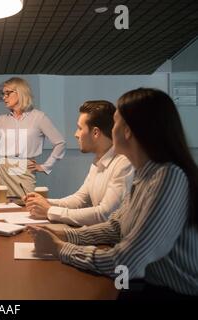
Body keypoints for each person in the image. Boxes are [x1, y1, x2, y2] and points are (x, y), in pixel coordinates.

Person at [28, 88, 198, 298]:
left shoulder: (168, 176)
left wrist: (60, 248)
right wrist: (63, 234)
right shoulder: (144, 174)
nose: (111, 128)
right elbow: (116, 227)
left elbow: (126, 261)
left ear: (127, 131)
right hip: (147, 282)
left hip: (170, 291)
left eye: (115, 122)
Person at [24, 101, 133, 226]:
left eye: (80, 128)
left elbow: (104, 214)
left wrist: (49, 210)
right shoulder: (99, 160)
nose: (76, 134)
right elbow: (80, 199)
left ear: (96, 133)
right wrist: (43, 202)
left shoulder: (123, 163)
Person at [0, 77, 66, 198]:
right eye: (3, 94)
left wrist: (45, 166)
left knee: (28, 206)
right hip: (3, 170)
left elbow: (60, 143)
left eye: (7, 93)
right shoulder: (2, 119)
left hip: (24, 170)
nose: (4, 97)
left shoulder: (38, 117)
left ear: (20, 92)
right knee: (3, 208)